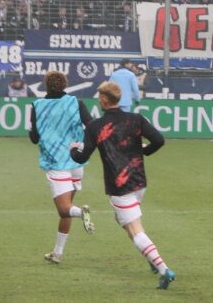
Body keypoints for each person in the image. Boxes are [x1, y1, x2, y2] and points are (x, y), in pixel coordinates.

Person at [69, 82, 174, 288]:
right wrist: (143, 151)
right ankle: (151, 257)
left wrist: (73, 149)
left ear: (104, 100)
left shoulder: (95, 126)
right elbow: (159, 140)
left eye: (100, 97)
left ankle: (164, 269)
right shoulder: (135, 119)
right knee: (122, 220)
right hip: (139, 182)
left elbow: (81, 157)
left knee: (135, 230)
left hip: (119, 186)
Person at [29, 70, 95, 264]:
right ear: (65, 85)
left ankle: (81, 213)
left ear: (46, 85)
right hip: (76, 160)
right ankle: (57, 253)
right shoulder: (76, 102)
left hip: (56, 161)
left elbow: (34, 138)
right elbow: (90, 126)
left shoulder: (38, 105)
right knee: (66, 208)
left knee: (65, 209)